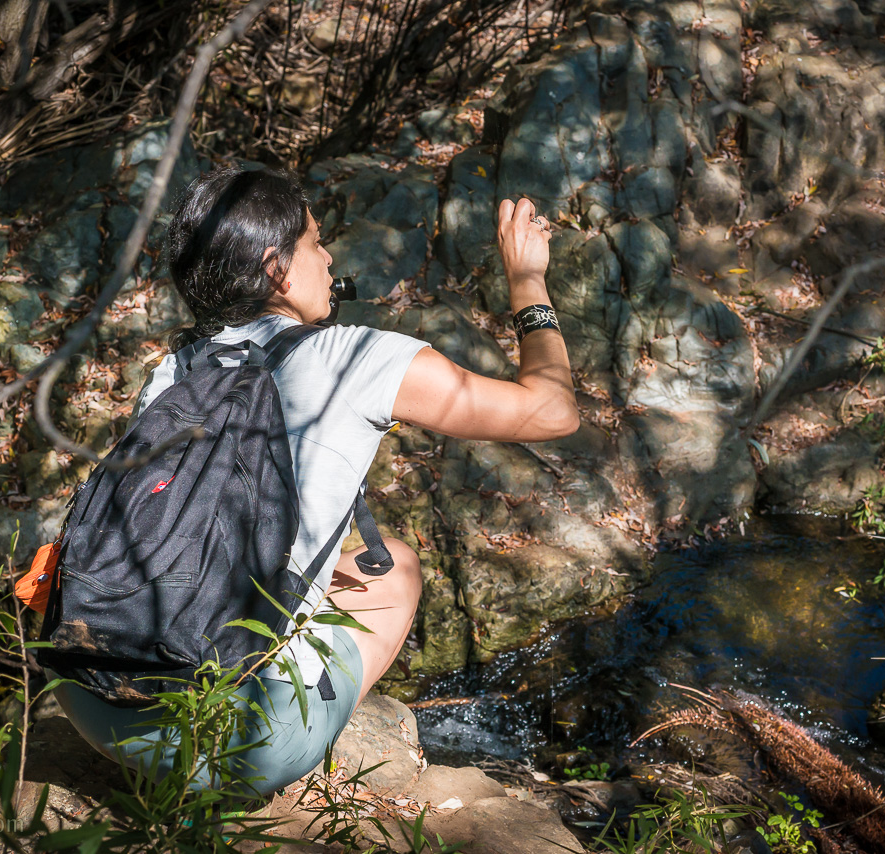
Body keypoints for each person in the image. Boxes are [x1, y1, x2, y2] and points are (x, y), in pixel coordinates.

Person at [53, 165, 578, 798]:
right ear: (277, 269)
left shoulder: (175, 370)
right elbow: (552, 412)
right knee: (397, 567)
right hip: (236, 743)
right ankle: (255, 767)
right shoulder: (357, 358)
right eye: (316, 242)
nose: (329, 259)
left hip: (93, 705)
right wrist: (527, 279)